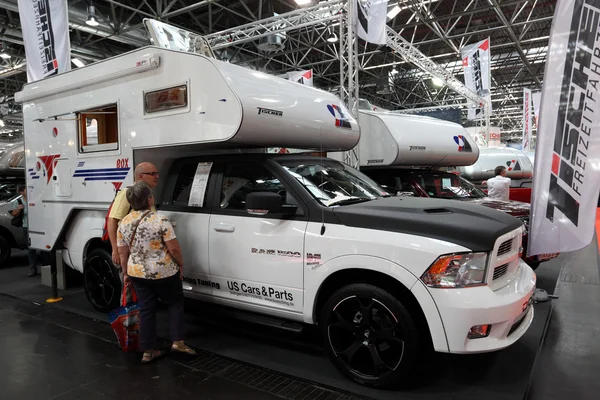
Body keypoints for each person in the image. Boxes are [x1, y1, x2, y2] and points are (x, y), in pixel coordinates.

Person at [117, 181, 195, 363]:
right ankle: (178, 343)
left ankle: (148, 350)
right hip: (164, 272)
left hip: (137, 273)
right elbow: (174, 249)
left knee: (146, 309)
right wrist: (181, 265)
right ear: (150, 199)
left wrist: (126, 273)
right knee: (174, 303)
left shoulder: (124, 222)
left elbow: (122, 252)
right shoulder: (160, 219)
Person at [108, 162, 160, 265]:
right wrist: (115, 250)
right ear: (141, 176)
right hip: (130, 252)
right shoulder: (127, 193)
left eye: (157, 173)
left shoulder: (147, 194)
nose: (157, 176)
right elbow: (112, 220)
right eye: (153, 174)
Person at [11, 186, 38, 277]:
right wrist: (19, 209)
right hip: (26, 226)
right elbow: (14, 214)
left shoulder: (35, 199)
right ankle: (33, 268)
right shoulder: (18, 202)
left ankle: (46, 266)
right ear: (22, 192)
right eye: (26, 190)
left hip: (38, 226)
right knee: (30, 248)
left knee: (43, 248)